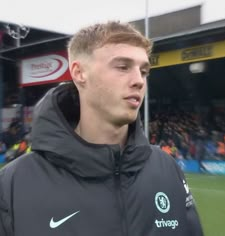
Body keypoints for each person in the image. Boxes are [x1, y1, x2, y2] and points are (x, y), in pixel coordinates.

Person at [0, 21, 204, 236]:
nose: (139, 81)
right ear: (79, 73)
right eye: (123, 67)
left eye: (143, 71)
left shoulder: (167, 169)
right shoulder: (14, 184)